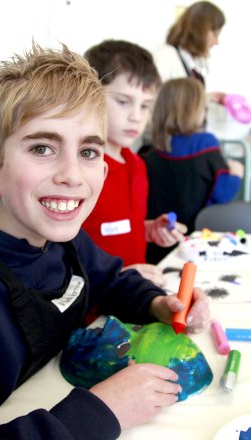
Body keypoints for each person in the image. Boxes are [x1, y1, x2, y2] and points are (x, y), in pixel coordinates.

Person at [0, 43, 209, 440]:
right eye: (42, 148)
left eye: (88, 151)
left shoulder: (64, 242)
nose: (73, 175)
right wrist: (102, 411)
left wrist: (158, 304)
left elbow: (109, 280)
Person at [82, 39, 186, 288]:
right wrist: (114, 276)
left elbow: (117, 227)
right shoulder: (79, 168)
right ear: (88, 95)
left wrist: (149, 230)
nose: (136, 116)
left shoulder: (138, 164)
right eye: (123, 101)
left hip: (133, 299)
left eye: (145, 106)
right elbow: (60, 250)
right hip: (92, 308)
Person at [143, 77, 244, 263]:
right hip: (196, 242)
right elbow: (222, 193)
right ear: (196, 111)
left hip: (156, 247)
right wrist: (236, 175)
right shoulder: (206, 142)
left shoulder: (151, 152)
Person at [153, 1, 226, 105]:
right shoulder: (165, 57)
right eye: (215, 34)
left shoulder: (193, 62)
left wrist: (205, 98)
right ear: (200, 30)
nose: (216, 42)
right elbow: (159, 103)